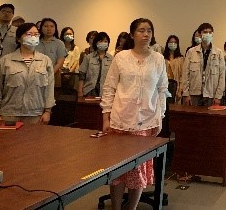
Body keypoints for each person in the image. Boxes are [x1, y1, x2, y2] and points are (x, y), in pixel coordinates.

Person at [100, 18, 168, 210]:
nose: (146, 34)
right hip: (121, 120)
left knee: (138, 171)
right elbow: (109, 88)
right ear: (132, 34)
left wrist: (160, 116)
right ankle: (116, 207)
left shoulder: (158, 59)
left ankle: (131, 208)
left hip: (146, 122)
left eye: (149, 31)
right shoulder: (121, 58)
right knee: (118, 171)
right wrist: (106, 117)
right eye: (141, 30)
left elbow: (162, 89)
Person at [0, 22, 55, 124]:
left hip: (35, 114)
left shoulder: (45, 60)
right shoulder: (6, 60)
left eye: (36, 34)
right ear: (18, 39)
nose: (33, 37)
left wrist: (47, 111)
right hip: (9, 113)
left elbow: (49, 89)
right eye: (29, 34)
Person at [181, 22, 225, 106]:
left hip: (211, 95)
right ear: (200, 34)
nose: (207, 34)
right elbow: (185, 74)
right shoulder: (191, 52)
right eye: (205, 32)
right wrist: (186, 94)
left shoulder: (218, 53)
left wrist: (218, 96)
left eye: (210, 32)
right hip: (194, 94)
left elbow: (222, 76)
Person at [78, 32, 112, 97]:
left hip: (105, 92)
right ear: (96, 43)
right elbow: (82, 75)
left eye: (105, 41)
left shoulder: (111, 59)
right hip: (89, 91)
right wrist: (80, 91)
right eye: (101, 41)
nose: (103, 43)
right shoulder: (88, 57)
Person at [37, 18, 67, 86]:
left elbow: (59, 63)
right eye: (46, 26)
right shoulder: (35, 42)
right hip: (36, 75)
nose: (49, 29)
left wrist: (49, 75)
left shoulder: (59, 43)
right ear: (41, 28)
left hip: (54, 75)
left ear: (55, 29)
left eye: (52, 26)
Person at [163, 35, 184, 103]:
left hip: (176, 88)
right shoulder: (162, 58)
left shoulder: (181, 59)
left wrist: (180, 90)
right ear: (167, 43)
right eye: (171, 42)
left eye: (175, 42)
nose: (173, 44)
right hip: (164, 87)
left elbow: (182, 76)